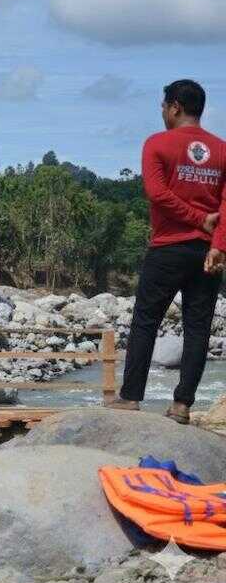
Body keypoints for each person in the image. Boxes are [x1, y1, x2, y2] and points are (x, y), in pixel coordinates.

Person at [112, 80, 226, 424]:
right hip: (207, 253)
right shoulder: (222, 150)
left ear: (175, 107)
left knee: (146, 321)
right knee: (198, 328)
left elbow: (157, 193)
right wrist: (219, 245)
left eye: (164, 106)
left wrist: (198, 220)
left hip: (168, 248)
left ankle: (130, 397)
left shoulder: (157, 144)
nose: (162, 112)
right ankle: (182, 406)